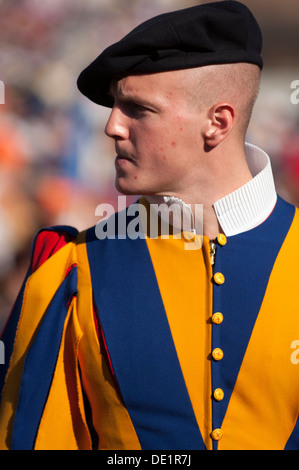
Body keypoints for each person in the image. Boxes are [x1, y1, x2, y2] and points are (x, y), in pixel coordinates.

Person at [0, 0, 298, 451]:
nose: (111, 126)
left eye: (138, 109)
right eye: (115, 106)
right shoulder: (70, 273)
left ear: (218, 122)